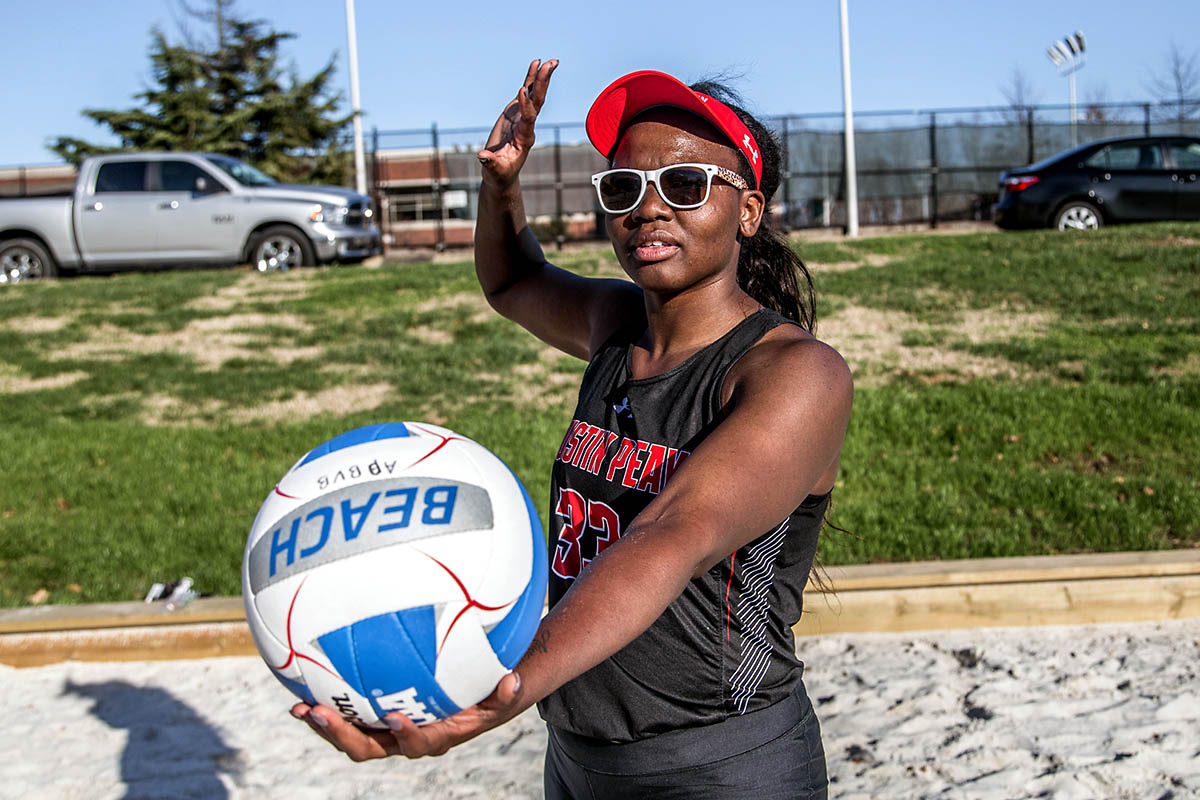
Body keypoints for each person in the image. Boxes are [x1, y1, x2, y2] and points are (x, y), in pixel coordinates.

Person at [291, 59, 853, 799]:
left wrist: (510, 685)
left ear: (746, 211)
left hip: (719, 763)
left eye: (684, 186)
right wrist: (500, 186)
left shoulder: (795, 374)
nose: (649, 210)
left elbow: (672, 532)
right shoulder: (615, 327)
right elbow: (513, 281)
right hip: (580, 754)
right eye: (624, 188)